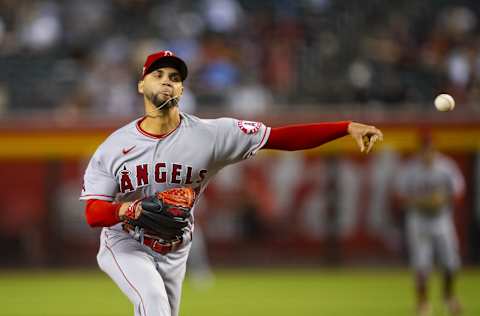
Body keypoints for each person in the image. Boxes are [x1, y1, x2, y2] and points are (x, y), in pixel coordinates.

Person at [80, 50, 383, 316]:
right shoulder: (114, 146)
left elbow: (281, 138)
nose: (166, 80)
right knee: (152, 298)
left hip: (175, 245)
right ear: (141, 85)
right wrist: (127, 210)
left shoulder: (211, 135)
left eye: (174, 76)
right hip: (125, 241)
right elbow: (94, 213)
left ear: (182, 88)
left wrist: (345, 127)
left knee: (159, 310)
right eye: (157, 74)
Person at [395, 134, 465, 316]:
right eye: (424, 150)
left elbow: (458, 192)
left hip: (441, 219)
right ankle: (423, 303)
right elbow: (398, 196)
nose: (427, 154)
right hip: (418, 220)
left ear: (435, 150)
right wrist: (422, 201)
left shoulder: (446, 167)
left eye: (430, 150)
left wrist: (442, 199)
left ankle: (449, 297)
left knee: (451, 262)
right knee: (421, 263)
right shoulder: (410, 169)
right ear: (420, 151)